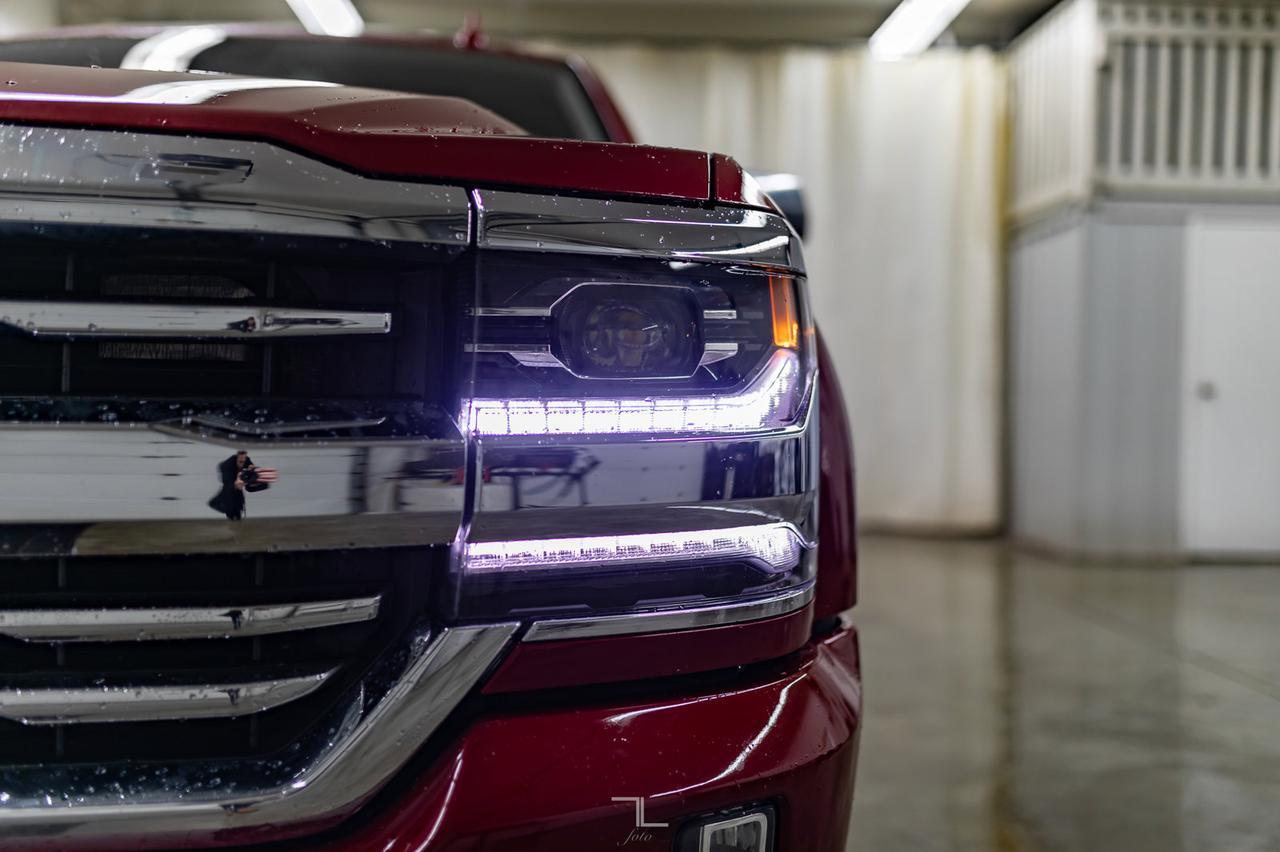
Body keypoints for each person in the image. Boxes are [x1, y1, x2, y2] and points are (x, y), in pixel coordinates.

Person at [209, 450, 254, 520]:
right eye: (240, 460)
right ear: (237, 457)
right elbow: (212, 503)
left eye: (244, 459)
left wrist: (251, 466)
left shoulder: (246, 459)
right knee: (231, 512)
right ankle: (230, 514)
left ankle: (237, 517)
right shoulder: (227, 466)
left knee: (238, 511)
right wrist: (226, 509)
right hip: (228, 486)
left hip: (236, 486)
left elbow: (249, 464)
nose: (243, 462)